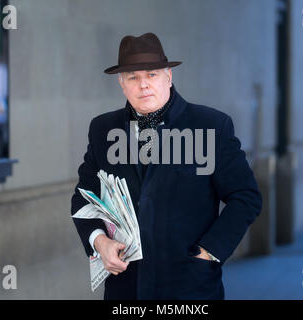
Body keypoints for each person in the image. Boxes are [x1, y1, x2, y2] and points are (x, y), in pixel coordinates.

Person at [71, 32, 262, 300]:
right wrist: (99, 242)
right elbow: (83, 198)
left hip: (190, 288)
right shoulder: (103, 129)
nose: (143, 85)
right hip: (126, 290)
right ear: (121, 84)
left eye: (152, 75)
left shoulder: (212, 126)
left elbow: (246, 197)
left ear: (168, 77)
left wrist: (208, 253)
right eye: (133, 78)